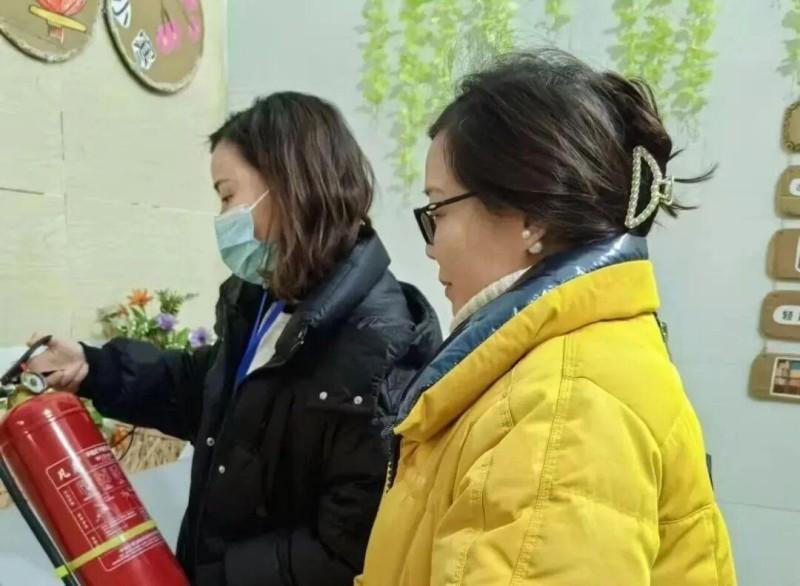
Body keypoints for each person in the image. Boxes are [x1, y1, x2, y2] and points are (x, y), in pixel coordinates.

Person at [28, 92, 441, 586]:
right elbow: (209, 392)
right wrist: (94, 367)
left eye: (227, 195)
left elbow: (350, 548)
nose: (223, 218)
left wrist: (217, 576)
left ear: (290, 185)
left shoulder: (383, 344)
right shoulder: (267, 298)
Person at [357, 49, 736, 585]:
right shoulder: (567, 365)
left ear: (531, 217)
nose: (431, 245)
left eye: (439, 209)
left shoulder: (562, 408)